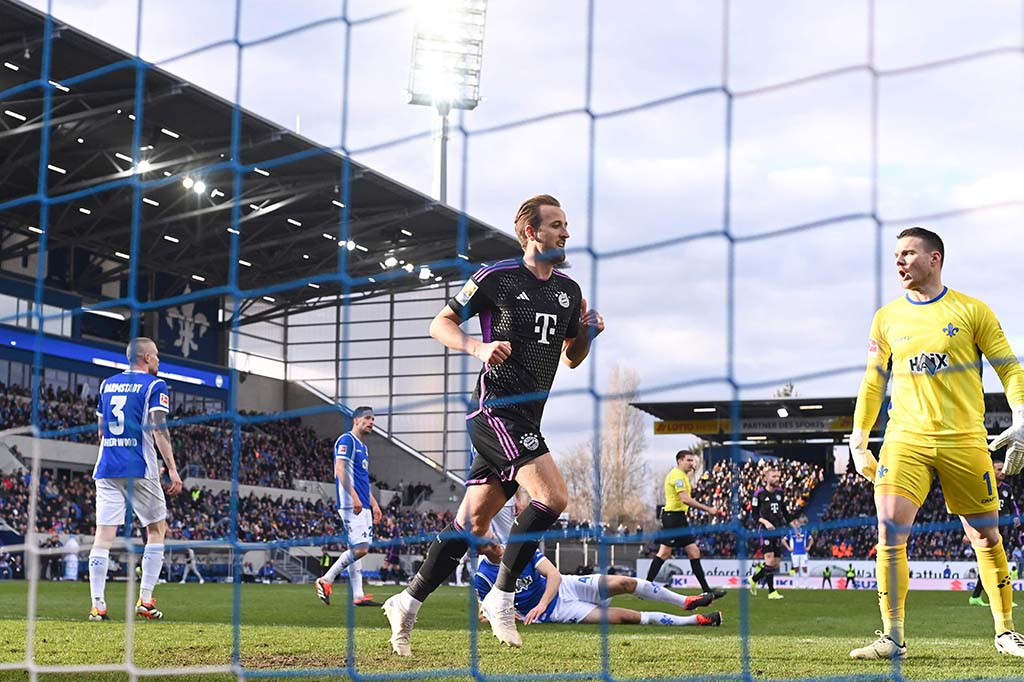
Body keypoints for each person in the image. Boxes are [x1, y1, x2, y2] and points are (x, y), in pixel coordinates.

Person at [382, 194, 605, 655]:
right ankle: (502, 598)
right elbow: (438, 324)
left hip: (527, 415)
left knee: (471, 524)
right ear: (531, 233)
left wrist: (586, 333)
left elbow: (571, 358)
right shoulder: (494, 278)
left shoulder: (569, 291)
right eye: (557, 225)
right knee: (553, 497)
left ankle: (406, 602)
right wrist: (476, 347)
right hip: (495, 409)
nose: (566, 233)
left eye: (566, 225)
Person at [848, 227, 1024, 659]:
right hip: (904, 437)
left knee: (985, 537)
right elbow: (874, 381)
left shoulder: (972, 310)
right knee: (889, 529)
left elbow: (1009, 367)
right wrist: (859, 434)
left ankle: (1005, 631)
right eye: (896, 255)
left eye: (908, 253)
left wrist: (1022, 417)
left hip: (964, 438)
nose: (900, 262)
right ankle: (893, 636)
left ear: (935, 258)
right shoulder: (886, 317)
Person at [88, 337, 182, 621]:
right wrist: (173, 469)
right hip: (139, 466)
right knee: (156, 529)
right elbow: (158, 428)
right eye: (156, 355)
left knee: (103, 536)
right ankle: (145, 601)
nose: (158, 360)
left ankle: (97, 606)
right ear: (146, 358)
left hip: (106, 466)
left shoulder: (107, 384)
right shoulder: (155, 385)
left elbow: (102, 431)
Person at [475, 544, 721, 629]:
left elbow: (554, 575)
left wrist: (540, 603)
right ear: (479, 550)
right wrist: (506, 617)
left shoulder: (519, 548)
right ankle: (696, 620)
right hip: (557, 612)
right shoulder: (483, 576)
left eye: (493, 538)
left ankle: (685, 601)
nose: (495, 544)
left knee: (624, 582)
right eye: (488, 543)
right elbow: (483, 613)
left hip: (565, 588)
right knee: (625, 617)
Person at [316, 406, 382, 607]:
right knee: (361, 549)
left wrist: (374, 503)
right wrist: (353, 497)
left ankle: (358, 596)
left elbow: (362, 479)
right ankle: (325, 580)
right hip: (351, 504)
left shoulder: (364, 447)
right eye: (368, 418)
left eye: (373, 419)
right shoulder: (347, 440)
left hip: (363, 504)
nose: (372, 422)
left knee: (355, 547)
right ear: (356, 420)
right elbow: (339, 470)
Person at [646, 450, 727, 599]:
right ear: (680, 461)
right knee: (664, 553)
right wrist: (708, 509)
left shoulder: (682, 476)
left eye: (693, 460)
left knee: (693, 552)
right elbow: (685, 499)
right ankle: (645, 587)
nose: (692, 463)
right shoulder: (677, 476)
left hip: (678, 518)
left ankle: (706, 590)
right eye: (689, 460)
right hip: (673, 518)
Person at [970, 457, 1021, 606]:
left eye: (1003, 469)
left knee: (994, 565)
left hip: (1003, 532)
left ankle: (977, 596)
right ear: (991, 470)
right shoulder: (984, 488)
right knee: (994, 564)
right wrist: (969, 531)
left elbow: (1013, 507)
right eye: (999, 469)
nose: (1002, 472)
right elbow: (973, 510)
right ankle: (1001, 600)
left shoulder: (1006, 489)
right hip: (986, 533)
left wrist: (1016, 518)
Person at [748, 465, 793, 600]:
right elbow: (754, 515)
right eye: (774, 476)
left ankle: (754, 578)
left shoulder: (780, 492)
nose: (777, 478)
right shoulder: (759, 494)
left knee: (776, 563)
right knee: (770, 560)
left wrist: (794, 527)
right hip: (765, 531)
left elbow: (784, 512)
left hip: (778, 530)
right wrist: (765, 522)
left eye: (778, 476)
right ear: (766, 478)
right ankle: (772, 592)